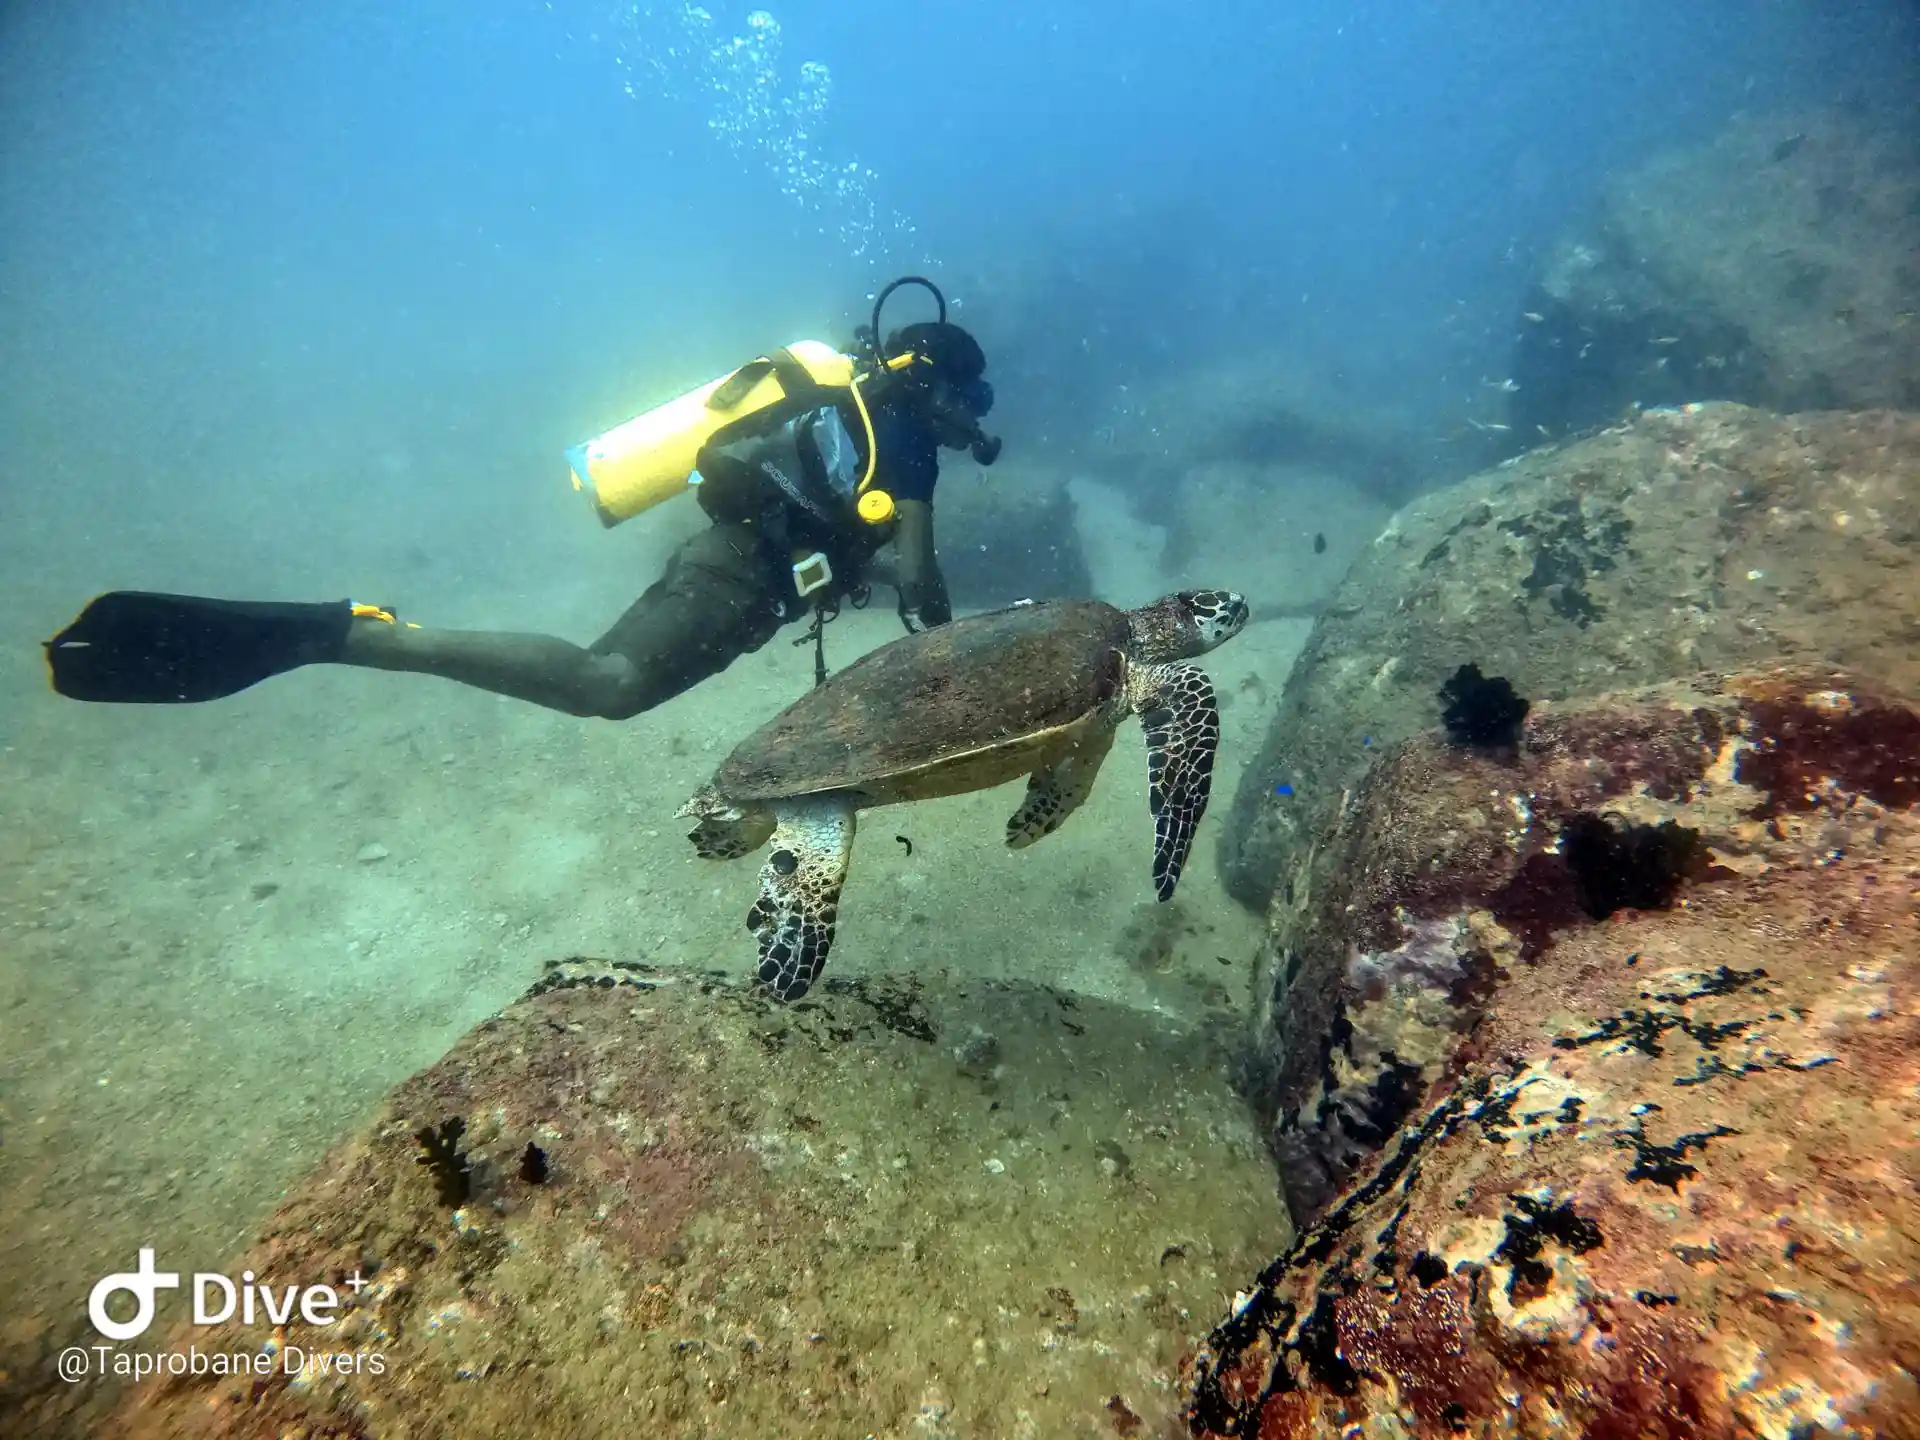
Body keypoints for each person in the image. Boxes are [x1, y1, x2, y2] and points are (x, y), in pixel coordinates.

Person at [43, 280, 1002, 719]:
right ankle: (350, 634)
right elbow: (919, 573)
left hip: (733, 559)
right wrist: (954, 649)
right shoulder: (910, 441)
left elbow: (847, 532)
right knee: (606, 684)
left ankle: (347, 636)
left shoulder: (852, 403)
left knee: (608, 687)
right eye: (972, 400)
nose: (974, 420)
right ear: (940, 388)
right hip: (740, 574)